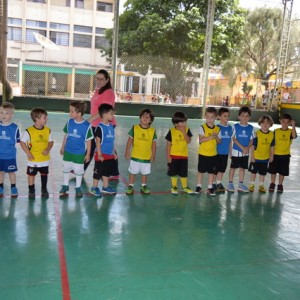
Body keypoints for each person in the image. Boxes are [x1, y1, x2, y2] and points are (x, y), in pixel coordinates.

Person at [85, 69, 118, 179]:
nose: (98, 81)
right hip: (96, 124)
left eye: (101, 79)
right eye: (97, 78)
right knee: (97, 145)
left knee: (106, 147)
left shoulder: (109, 93)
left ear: (107, 80)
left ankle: (81, 168)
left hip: (106, 125)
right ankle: (81, 168)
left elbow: (103, 111)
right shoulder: (97, 90)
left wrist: (89, 120)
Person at [59, 101, 93, 197]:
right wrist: (62, 147)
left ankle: (78, 187)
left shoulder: (86, 126)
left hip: (79, 153)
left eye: (72, 111)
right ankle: (65, 186)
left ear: (79, 113)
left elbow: (89, 141)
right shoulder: (69, 122)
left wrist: (88, 154)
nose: (70, 113)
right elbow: (66, 136)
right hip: (68, 151)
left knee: (78, 171)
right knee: (66, 168)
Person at [20, 108, 54, 199]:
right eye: (44, 118)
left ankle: (44, 189)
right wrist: (28, 153)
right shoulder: (29, 131)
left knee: (44, 175)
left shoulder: (47, 130)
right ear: (37, 119)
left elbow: (50, 142)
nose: (46, 120)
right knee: (31, 175)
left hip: (44, 159)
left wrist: (47, 149)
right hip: (33, 159)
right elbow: (22, 142)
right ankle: (31, 190)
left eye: (46, 117)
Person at [125, 108, 156, 195]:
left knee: (145, 173)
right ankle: (130, 185)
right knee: (132, 172)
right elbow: (130, 140)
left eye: (148, 117)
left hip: (146, 157)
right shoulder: (135, 128)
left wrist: (153, 155)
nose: (145, 118)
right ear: (140, 117)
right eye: (143, 116)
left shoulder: (152, 131)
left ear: (151, 121)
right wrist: (127, 151)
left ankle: (144, 185)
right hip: (135, 156)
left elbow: (154, 145)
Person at [90, 104, 119, 197]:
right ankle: (94, 187)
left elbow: (111, 141)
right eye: (111, 113)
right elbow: (97, 142)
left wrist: (114, 152)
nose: (112, 115)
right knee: (98, 172)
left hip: (109, 155)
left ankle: (105, 187)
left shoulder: (111, 126)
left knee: (106, 172)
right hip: (101, 155)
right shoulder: (100, 127)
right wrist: (99, 154)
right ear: (105, 114)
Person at [227, 106, 255, 193]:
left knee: (242, 168)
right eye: (243, 115)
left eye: (247, 116)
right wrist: (242, 147)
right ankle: (230, 183)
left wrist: (247, 148)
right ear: (239, 116)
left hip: (245, 152)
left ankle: (240, 184)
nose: (244, 117)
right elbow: (234, 139)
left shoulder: (251, 128)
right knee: (233, 168)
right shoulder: (235, 127)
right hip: (236, 151)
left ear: (249, 117)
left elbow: (252, 139)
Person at [195, 107, 221, 196]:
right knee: (200, 171)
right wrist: (211, 137)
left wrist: (216, 137)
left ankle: (210, 187)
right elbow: (201, 140)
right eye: (208, 117)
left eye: (212, 117)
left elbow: (219, 141)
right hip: (203, 154)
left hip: (213, 154)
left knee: (211, 172)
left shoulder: (217, 129)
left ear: (216, 118)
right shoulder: (202, 127)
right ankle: (198, 186)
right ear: (205, 117)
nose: (210, 119)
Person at [165, 111, 193, 195]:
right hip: (173, 156)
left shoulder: (187, 130)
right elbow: (168, 145)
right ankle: (174, 186)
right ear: (176, 123)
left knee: (183, 173)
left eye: (184, 122)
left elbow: (188, 141)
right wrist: (168, 157)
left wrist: (184, 132)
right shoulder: (171, 131)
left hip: (184, 156)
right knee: (173, 172)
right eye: (181, 122)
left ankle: (185, 187)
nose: (184, 124)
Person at [268, 113, 297, 193]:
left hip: (285, 156)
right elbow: (272, 144)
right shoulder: (276, 131)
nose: (285, 124)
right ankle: (272, 183)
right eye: (283, 121)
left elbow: (294, 137)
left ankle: (280, 185)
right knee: (273, 171)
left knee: (282, 172)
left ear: (290, 123)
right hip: (275, 155)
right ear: (280, 121)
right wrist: (271, 155)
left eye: (288, 122)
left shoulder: (291, 131)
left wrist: (293, 126)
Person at [248, 115, 274, 193]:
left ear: (270, 124)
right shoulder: (257, 134)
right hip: (256, 158)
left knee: (262, 173)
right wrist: (252, 156)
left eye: (267, 123)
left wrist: (271, 156)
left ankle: (261, 186)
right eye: (263, 123)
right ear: (260, 124)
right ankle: (252, 185)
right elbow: (252, 146)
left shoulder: (272, 134)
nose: (265, 124)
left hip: (265, 158)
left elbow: (272, 146)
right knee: (253, 172)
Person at [0, 102, 20, 198]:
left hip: (9, 156)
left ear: (12, 115)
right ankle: (0, 186)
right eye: (1, 112)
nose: (3, 115)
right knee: (0, 172)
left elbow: (17, 141)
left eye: (6, 113)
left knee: (11, 172)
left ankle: (13, 187)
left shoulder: (14, 128)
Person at [213, 107, 233, 193]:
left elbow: (230, 141)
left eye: (228, 116)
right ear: (219, 117)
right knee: (215, 170)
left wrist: (230, 153)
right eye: (225, 116)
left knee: (222, 169)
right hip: (217, 153)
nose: (227, 118)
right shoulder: (217, 127)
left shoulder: (230, 128)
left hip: (225, 153)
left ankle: (219, 183)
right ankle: (213, 183)